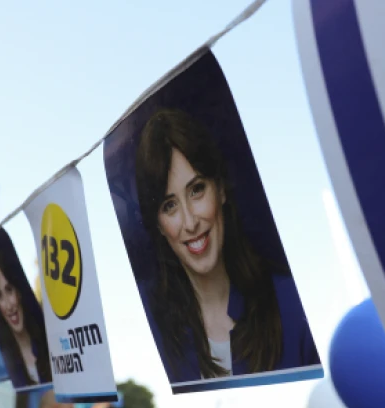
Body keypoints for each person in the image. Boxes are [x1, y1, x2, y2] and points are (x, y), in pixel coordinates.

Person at [134, 108, 319, 382]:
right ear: (159, 225)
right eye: (169, 205)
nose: (190, 222)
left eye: (196, 190)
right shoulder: (149, 326)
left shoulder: (291, 301)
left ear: (220, 189)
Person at [0, 229, 52, 388]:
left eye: (9, 290)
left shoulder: (50, 347)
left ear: (19, 292)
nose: (9, 305)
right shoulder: (1, 360)